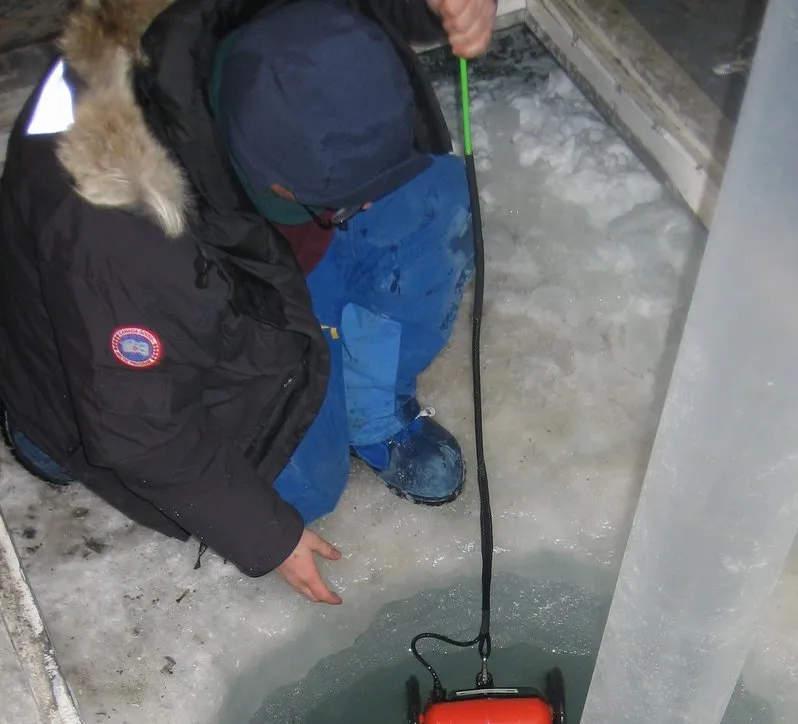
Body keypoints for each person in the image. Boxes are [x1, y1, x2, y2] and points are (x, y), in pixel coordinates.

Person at [0, 0, 497, 603]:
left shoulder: (265, 38)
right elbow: (139, 428)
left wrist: (440, 6)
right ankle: (42, 435)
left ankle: (372, 411)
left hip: (242, 237)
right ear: (277, 184)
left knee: (425, 198)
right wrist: (268, 536)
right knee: (301, 496)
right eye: (342, 204)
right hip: (119, 349)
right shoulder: (120, 236)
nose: (363, 211)